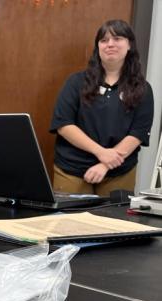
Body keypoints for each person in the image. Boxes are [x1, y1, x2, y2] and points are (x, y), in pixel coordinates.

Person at [50, 19, 154, 196]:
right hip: (72, 168)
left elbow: (138, 132)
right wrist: (101, 152)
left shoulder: (142, 88)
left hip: (119, 170)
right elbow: (64, 124)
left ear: (129, 45)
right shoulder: (76, 82)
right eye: (104, 40)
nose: (110, 44)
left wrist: (105, 164)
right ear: (98, 47)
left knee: (114, 214)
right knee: (71, 214)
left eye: (117, 38)